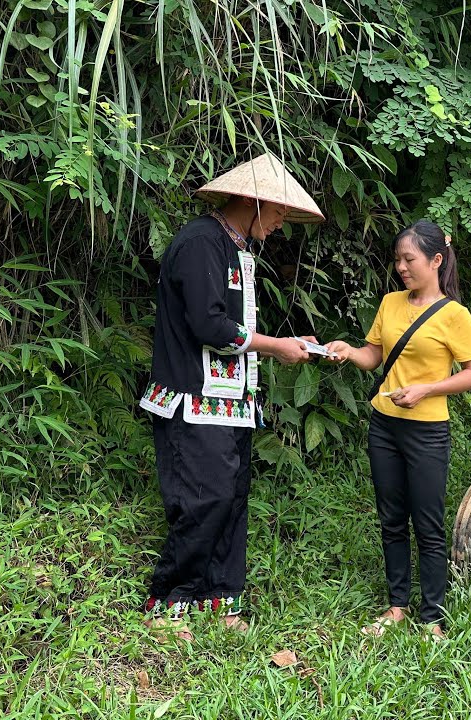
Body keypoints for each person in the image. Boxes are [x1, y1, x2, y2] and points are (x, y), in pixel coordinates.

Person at [137, 153, 324, 642]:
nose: (282, 221)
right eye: (278, 210)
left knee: (232, 499)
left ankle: (220, 599)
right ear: (251, 200)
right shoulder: (201, 242)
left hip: (232, 402)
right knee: (204, 499)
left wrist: (284, 344)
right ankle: (169, 605)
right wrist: (276, 346)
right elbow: (210, 326)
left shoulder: (237, 249)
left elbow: (234, 327)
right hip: (193, 399)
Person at [326, 219, 471, 640]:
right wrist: (349, 351)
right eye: (397, 259)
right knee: (391, 518)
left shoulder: (455, 315)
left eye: (409, 259)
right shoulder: (390, 303)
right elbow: (373, 357)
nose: (400, 267)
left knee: (427, 523)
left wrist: (427, 389)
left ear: (436, 260)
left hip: (427, 431)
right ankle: (397, 606)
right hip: (384, 426)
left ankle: (432, 617)